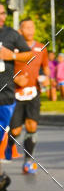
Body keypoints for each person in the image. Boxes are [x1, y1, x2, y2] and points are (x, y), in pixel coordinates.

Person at [6, 18, 50, 174]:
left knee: (32, 126)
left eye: (32, 27)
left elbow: (46, 67)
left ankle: (28, 161)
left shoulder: (41, 48)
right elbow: (4, 70)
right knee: (16, 130)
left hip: (33, 93)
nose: (30, 30)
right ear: (20, 31)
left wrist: (46, 80)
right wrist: (15, 78)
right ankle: (8, 147)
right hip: (16, 94)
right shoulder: (12, 49)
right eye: (26, 27)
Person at [0, 3, 34, 191]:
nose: (2, 17)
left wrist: (11, 54)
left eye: (3, 13)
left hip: (4, 96)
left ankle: (1, 177)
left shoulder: (12, 35)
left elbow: (28, 55)